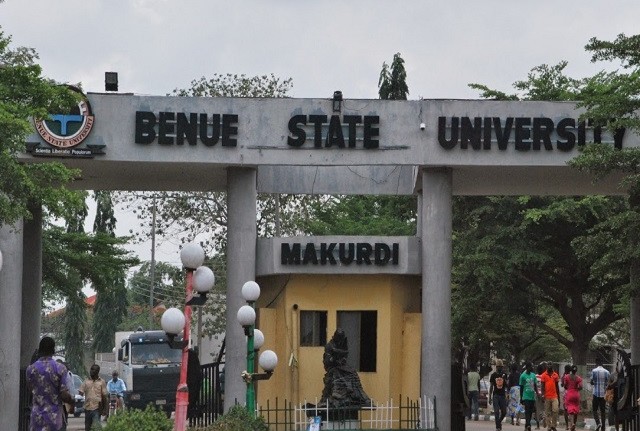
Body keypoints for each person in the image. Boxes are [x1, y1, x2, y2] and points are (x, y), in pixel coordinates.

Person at [25, 336, 73, 431]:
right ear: (53, 350)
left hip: (36, 419)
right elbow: (63, 395)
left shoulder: (30, 369)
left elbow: (31, 390)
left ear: (40, 350)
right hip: (54, 420)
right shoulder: (60, 368)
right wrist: (72, 402)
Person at [79, 364, 108, 430]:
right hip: (87, 408)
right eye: (91, 369)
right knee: (87, 427)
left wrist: (105, 409)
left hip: (97, 408)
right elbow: (81, 392)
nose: (91, 371)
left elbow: (104, 396)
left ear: (97, 371)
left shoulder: (102, 382)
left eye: (93, 369)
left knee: (96, 427)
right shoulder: (86, 381)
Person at [590, 357, 610, 431]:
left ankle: (598, 423)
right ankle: (603, 428)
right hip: (603, 394)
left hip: (595, 393)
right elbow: (609, 382)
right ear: (602, 363)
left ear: (596, 363)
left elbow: (591, 381)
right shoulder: (607, 372)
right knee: (603, 411)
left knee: (594, 410)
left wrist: (594, 382)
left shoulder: (594, 371)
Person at [539, 362, 560, 431]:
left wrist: (558, 397)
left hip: (554, 396)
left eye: (550, 364)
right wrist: (542, 395)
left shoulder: (555, 375)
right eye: (548, 364)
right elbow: (542, 386)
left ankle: (553, 425)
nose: (549, 366)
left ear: (552, 366)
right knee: (547, 412)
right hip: (547, 396)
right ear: (546, 366)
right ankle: (549, 426)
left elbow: (557, 387)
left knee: (555, 410)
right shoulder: (543, 375)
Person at [562, 365, 582, 431]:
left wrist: (568, 387)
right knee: (575, 410)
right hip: (576, 395)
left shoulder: (566, 376)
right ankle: (574, 425)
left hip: (569, 394)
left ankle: (570, 424)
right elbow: (580, 387)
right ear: (576, 370)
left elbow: (564, 386)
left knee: (569, 410)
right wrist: (576, 389)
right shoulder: (578, 378)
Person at [520, 361, 539, 431]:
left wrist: (537, 393)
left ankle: (526, 426)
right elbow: (521, 388)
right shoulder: (522, 376)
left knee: (530, 412)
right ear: (528, 367)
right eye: (531, 366)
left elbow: (535, 386)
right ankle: (528, 425)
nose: (532, 367)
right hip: (526, 396)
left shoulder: (533, 375)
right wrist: (521, 398)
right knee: (527, 411)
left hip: (532, 397)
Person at [490, 359, 508, 430]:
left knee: (504, 412)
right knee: (496, 411)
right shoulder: (493, 375)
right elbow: (491, 386)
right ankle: (498, 427)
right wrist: (489, 397)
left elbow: (506, 385)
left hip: (502, 395)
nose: (500, 368)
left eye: (501, 367)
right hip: (496, 395)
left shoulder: (504, 374)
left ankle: (499, 422)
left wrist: (504, 379)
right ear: (496, 367)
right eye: (499, 367)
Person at [561, 364, 571, 430]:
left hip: (565, 393)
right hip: (572, 393)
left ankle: (567, 426)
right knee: (572, 409)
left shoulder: (563, 376)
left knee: (565, 410)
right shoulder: (572, 376)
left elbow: (562, 385)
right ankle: (572, 424)